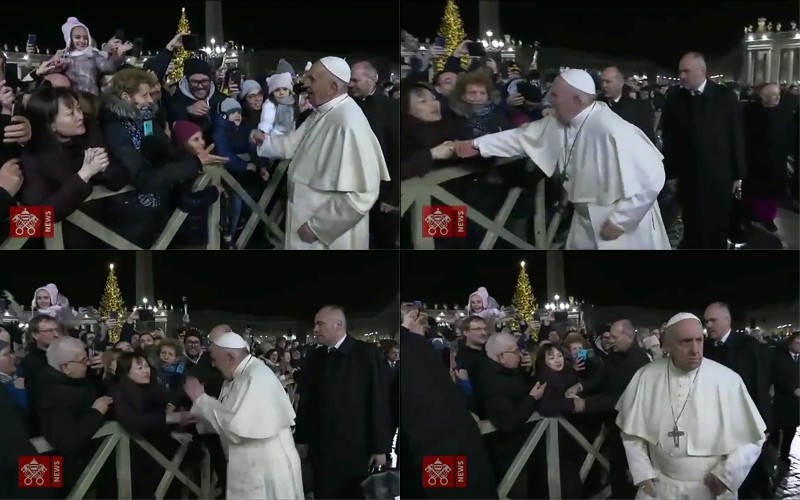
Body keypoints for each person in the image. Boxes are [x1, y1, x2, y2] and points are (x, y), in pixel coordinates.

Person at [452, 69, 670, 250]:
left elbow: (652, 177)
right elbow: (521, 137)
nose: (549, 101)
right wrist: (478, 145)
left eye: (554, 96)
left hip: (619, 223)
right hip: (584, 218)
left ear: (576, 100)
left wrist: (621, 221)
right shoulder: (562, 120)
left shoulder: (612, 129)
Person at [615, 313, 766, 499]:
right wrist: (643, 474)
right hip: (660, 488)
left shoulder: (728, 380)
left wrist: (726, 476)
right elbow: (631, 434)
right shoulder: (646, 377)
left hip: (710, 489)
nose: (695, 350)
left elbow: (752, 439)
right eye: (685, 342)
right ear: (667, 345)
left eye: (699, 340)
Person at [252, 57, 391, 250]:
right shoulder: (324, 111)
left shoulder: (348, 122)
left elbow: (363, 193)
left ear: (333, 88)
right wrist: (265, 141)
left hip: (328, 237)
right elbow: (293, 143)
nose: (305, 83)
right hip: (305, 227)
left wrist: (319, 227)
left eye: (312, 79)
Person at [184, 331, 304, 499]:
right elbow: (226, 414)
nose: (214, 365)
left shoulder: (255, 376)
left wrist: (200, 400)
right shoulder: (237, 375)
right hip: (252, 468)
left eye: (215, 360)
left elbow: (235, 428)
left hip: (264, 471)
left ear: (231, 357)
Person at [295, 305, 392, 498]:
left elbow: (379, 401)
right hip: (320, 447)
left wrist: (380, 447)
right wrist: (302, 437)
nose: (315, 330)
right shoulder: (315, 357)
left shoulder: (366, 354)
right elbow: (306, 401)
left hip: (355, 449)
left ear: (338, 325)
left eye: (320, 324)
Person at [660, 52, 746, 249]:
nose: (681, 75)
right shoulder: (675, 99)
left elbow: (736, 136)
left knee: (717, 227)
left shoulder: (725, 97)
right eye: (680, 70)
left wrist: (738, 175)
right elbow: (670, 139)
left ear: (702, 71)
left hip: (719, 177)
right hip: (688, 177)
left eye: (686, 71)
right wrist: (670, 173)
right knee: (692, 223)